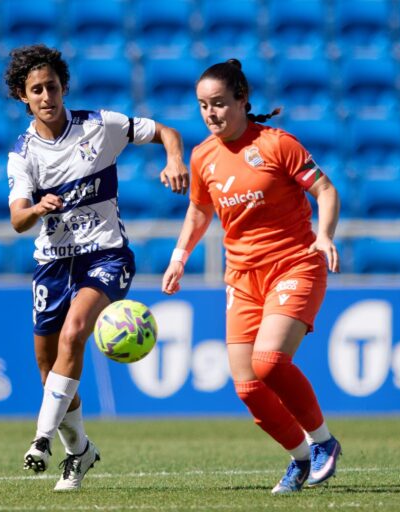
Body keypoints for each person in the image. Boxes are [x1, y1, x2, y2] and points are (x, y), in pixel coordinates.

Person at [5, 44, 189, 491]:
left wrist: (174, 158)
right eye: (36, 90)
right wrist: (37, 209)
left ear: (64, 87)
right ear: (22, 97)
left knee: (74, 333)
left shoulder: (100, 126)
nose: (47, 96)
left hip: (106, 256)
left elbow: (165, 131)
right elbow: (16, 220)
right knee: (49, 369)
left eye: (52, 86)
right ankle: (80, 451)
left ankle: (41, 439)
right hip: (52, 265)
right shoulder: (22, 153)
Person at [161, 59, 342, 495]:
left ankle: (323, 443)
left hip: (295, 263)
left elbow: (326, 189)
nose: (211, 113)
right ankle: (300, 458)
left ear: (242, 100)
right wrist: (179, 256)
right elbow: (200, 210)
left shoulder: (278, 145)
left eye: (220, 103)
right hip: (242, 277)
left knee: (270, 363)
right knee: (247, 387)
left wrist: (325, 236)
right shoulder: (203, 155)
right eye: (203, 106)